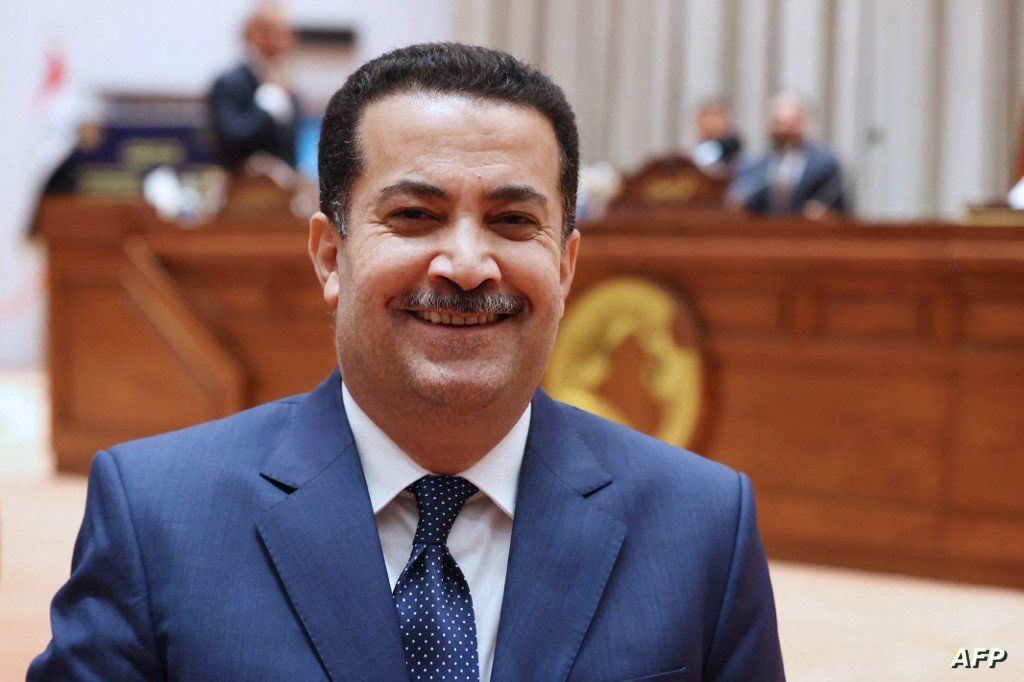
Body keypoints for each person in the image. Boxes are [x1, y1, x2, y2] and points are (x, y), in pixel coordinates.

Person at [31, 43, 784, 680]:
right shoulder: (155, 519)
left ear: (565, 265)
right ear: (330, 256)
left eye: (512, 220)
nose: (467, 264)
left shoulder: (703, 530)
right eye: (415, 215)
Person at [207, 2, 299, 170]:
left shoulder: (290, 90)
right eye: (267, 33)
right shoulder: (228, 84)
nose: (277, 43)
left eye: (284, 34)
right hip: (240, 183)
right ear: (249, 35)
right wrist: (269, 101)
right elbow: (232, 138)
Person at [732, 91, 847, 216]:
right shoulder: (756, 165)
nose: (783, 131)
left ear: (803, 123)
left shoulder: (825, 165)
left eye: (789, 124)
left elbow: (840, 211)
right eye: (778, 124)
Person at [691, 98, 745, 177]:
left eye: (717, 115)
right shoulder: (690, 160)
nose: (710, 122)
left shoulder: (741, 163)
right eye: (705, 115)